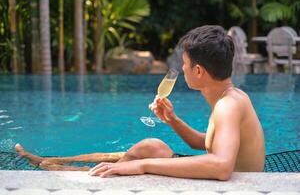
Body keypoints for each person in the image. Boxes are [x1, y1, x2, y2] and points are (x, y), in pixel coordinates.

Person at [15, 25, 265, 180]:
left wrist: (142, 167)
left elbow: (221, 165)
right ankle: (60, 161)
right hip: (225, 178)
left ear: (198, 71)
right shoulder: (229, 99)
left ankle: (66, 170)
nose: (183, 70)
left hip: (241, 188)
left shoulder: (228, 105)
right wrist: (172, 120)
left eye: (185, 65)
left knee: (144, 156)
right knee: (152, 146)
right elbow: (207, 143)